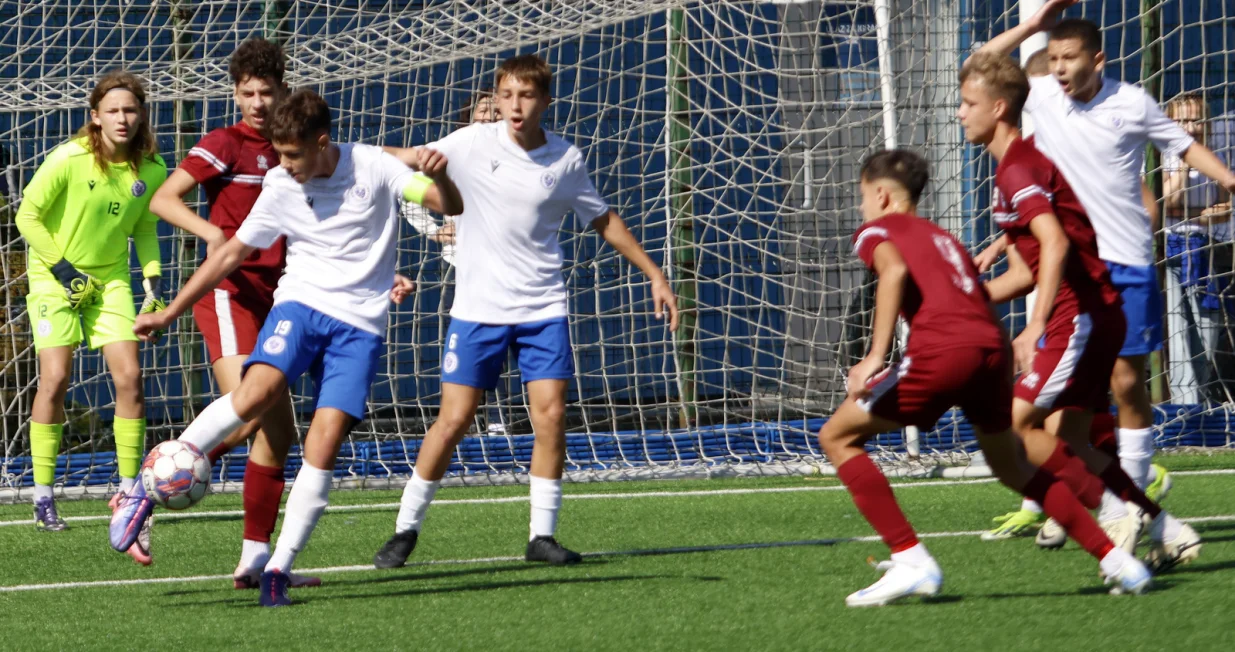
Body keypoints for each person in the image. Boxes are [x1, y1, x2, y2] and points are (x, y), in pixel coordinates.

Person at [112, 89, 462, 607]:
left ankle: (279, 567)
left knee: (322, 440)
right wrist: (170, 311)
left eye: (293, 154)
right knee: (255, 395)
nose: (283, 164)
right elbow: (231, 251)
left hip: (359, 326)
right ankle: (145, 487)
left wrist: (441, 175)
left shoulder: (374, 166)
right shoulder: (278, 182)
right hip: (298, 306)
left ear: (322, 143)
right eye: (278, 153)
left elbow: (448, 205)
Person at [372, 54, 678, 569]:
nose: (516, 106)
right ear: (498, 96)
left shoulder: (565, 160)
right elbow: (397, 159)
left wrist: (655, 272)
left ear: (545, 101)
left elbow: (603, 219)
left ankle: (542, 536)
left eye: (527, 96)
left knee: (552, 417)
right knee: (453, 422)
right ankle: (405, 529)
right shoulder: (469, 143)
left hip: (542, 309)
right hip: (477, 310)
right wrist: (338, 155)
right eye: (507, 95)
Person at [823, 148, 1149, 607]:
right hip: (989, 350)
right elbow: (977, 298)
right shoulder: (945, 240)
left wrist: (873, 356)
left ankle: (910, 559)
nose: (861, 207)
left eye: (861, 197)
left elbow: (892, 270)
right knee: (1013, 466)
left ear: (880, 195)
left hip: (942, 351)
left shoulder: (877, 229)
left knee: (836, 437)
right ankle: (1117, 560)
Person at [974, 1, 1235, 521]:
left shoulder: (1133, 102)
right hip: (1072, 272)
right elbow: (980, 63)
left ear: (1098, 59)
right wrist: (1031, 27)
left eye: (1070, 57)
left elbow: (1183, 148)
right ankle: (1086, 500)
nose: (1061, 68)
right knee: (1066, 398)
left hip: (1128, 263)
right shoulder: (1041, 96)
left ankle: (1136, 503)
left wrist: (1228, 180)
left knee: (1124, 383)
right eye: (1054, 58)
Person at [959, 52, 1200, 570]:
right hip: (1089, 313)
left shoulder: (1020, 167)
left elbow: (1055, 244)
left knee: (1017, 425)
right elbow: (1028, 269)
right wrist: (967, 298)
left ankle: (1117, 514)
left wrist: (1036, 326)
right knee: (1067, 439)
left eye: (968, 103)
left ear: (998, 108)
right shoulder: (1012, 169)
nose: (960, 113)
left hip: (1081, 316)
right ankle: (1164, 526)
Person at [148, 38, 314, 586]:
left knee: (277, 433)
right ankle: (143, 489)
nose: (258, 103)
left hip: (283, 296)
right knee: (246, 410)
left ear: (283, 91)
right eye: (248, 93)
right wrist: (214, 232)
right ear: (235, 94)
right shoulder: (226, 143)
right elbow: (164, 199)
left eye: (267, 92)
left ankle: (252, 559)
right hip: (230, 293)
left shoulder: (298, 149)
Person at [15, 71, 167, 566]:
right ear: (96, 116)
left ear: (140, 115)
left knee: (131, 377)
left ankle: (127, 493)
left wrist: (153, 279)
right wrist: (62, 269)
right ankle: (41, 495)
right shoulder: (68, 157)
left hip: (110, 282)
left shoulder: (153, 167)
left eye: (131, 110)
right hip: (52, 278)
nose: (124, 118)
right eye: (114, 110)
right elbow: (27, 216)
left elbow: (144, 227)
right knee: (55, 380)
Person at [1160, 93, 1235, 405]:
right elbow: (1167, 205)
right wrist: (1180, 168)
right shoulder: (1165, 157)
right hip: (1174, 250)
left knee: (1206, 331)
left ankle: (1198, 403)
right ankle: (1183, 405)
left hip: (1210, 250)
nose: (1189, 128)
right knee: (1178, 333)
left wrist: (1194, 213)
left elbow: (1226, 208)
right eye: (1181, 121)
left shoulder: (1216, 157)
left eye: (1195, 120)